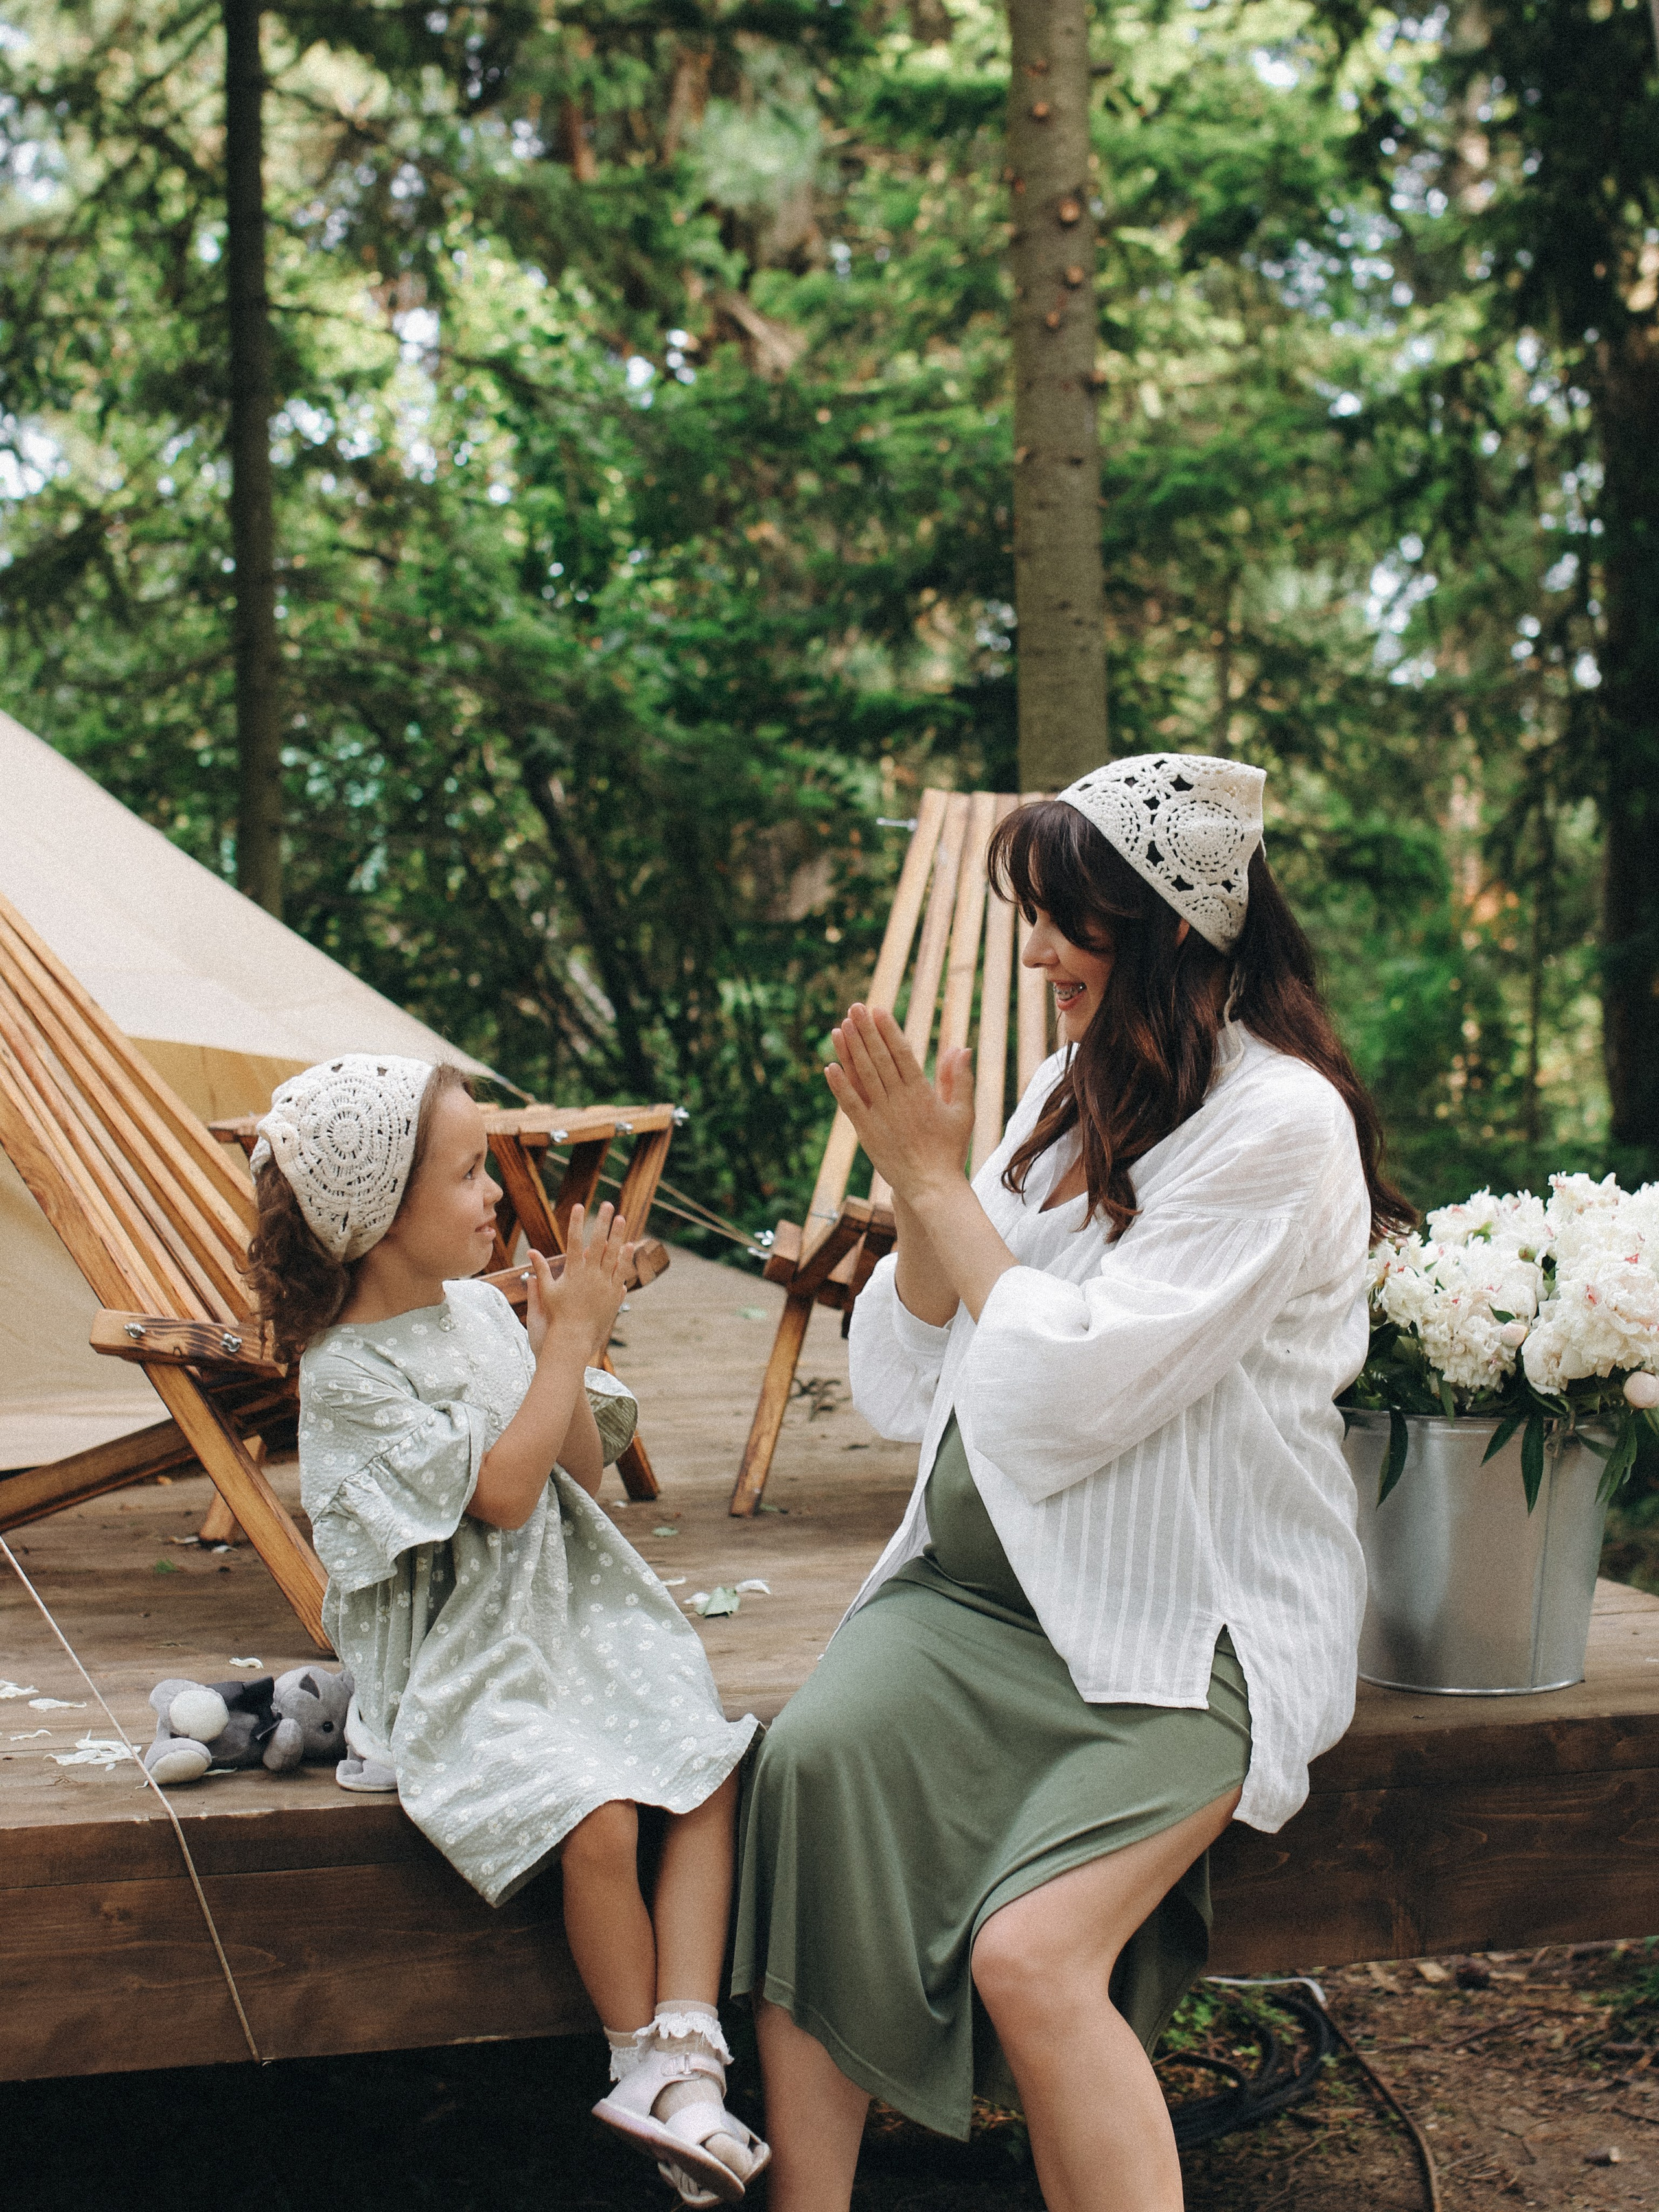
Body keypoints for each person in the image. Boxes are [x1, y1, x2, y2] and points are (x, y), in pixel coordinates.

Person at [732, 753, 1413, 2212]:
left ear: (1169, 926)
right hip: (974, 1604)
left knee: (1029, 1955)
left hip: (1177, 1636)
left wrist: (930, 1186)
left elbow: (1071, 1381)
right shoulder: (1068, 1079)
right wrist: (923, 1190)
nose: (1034, 951)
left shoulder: (1278, 1127)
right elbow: (916, 1354)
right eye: (1029, 917)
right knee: (808, 1770)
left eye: (1064, 921)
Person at [246, 1054, 767, 2205]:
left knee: (709, 1760)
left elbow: (576, 1462)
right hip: (459, 1656)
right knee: (599, 1806)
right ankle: (634, 2055)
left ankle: (690, 2045)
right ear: (379, 1218)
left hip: (563, 1617)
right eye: (471, 1173)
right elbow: (503, 1494)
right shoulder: (344, 1374)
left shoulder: (480, 1310)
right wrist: (571, 1338)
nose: (496, 1195)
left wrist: (549, 1341)